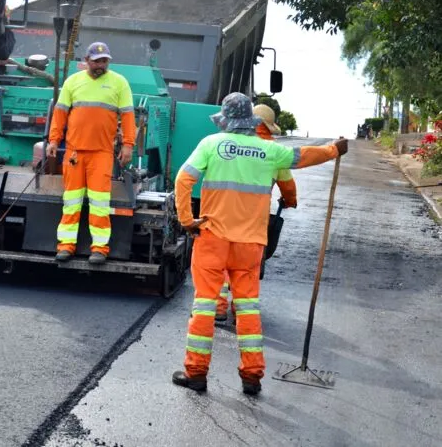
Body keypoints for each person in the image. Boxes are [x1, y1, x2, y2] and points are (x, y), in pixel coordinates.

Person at [171, 92, 348, 395]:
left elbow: (183, 181)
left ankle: (196, 373)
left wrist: (187, 220)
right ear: (251, 121)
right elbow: (304, 156)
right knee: (249, 308)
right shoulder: (270, 150)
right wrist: (334, 149)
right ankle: (252, 376)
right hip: (251, 243)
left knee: (204, 306)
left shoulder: (211, 144)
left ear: (225, 120)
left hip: (212, 238)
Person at [46, 42, 136, 264]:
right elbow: (60, 114)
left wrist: (128, 145)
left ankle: (100, 249)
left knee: (99, 203)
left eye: (104, 61)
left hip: (102, 154)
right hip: (75, 153)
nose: (101, 65)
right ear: (86, 60)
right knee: (72, 202)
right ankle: (66, 246)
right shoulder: (73, 82)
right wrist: (53, 140)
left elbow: (127, 117)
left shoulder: (119, 83)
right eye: (96, 61)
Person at [215, 103, 298, 322]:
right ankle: (241, 309)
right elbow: (288, 186)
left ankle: (219, 306)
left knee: (223, 258)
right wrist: (290, 201)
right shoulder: (275, 152)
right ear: (269, 128)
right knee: (247, 265)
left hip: (225, 211)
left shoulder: (233, 142)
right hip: (255, 218)